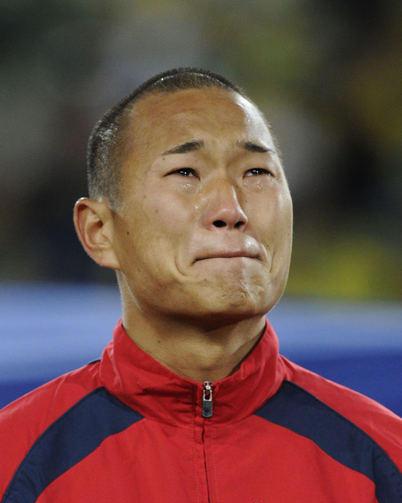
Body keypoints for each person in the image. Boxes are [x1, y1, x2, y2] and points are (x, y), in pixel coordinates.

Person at [0, 68, 401, 503]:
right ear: (100, 231)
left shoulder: (385, 462)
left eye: (256, 172)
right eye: (186, 172)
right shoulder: (14, 462)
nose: (231, 210)